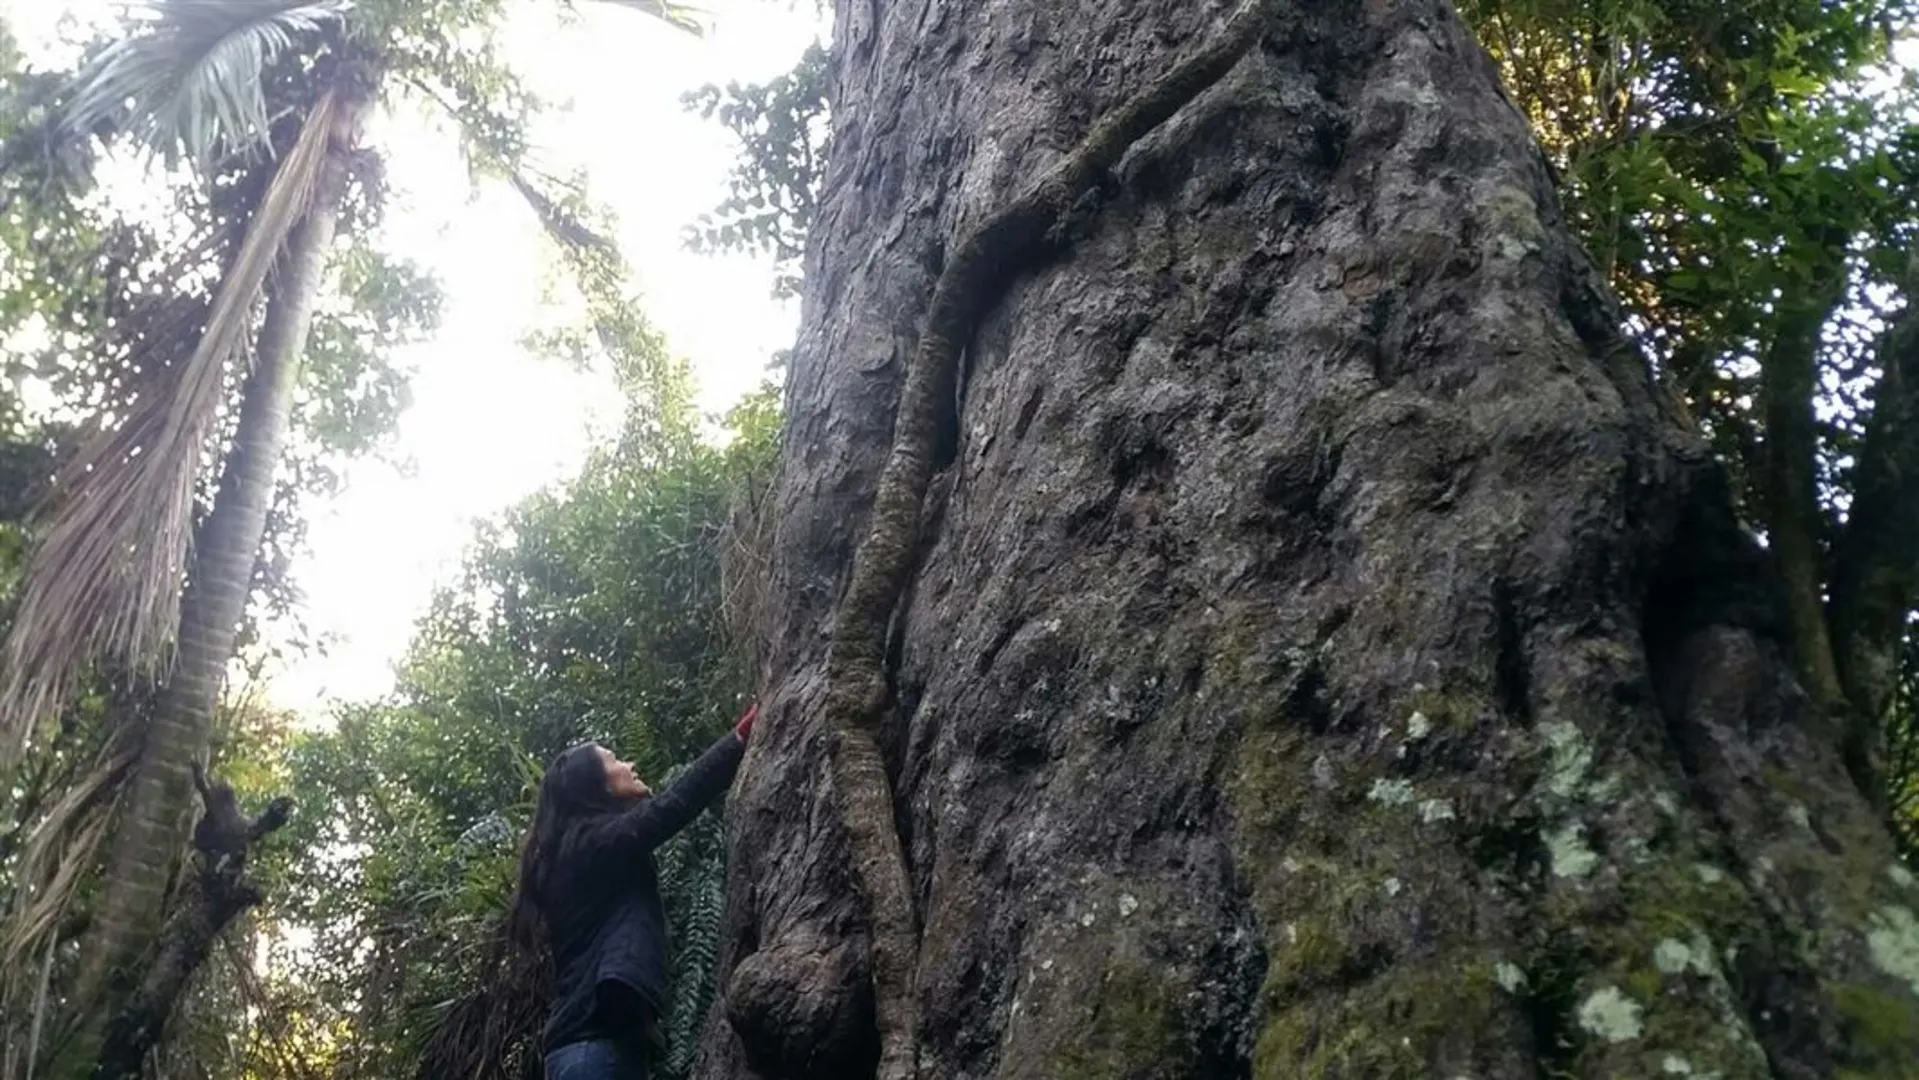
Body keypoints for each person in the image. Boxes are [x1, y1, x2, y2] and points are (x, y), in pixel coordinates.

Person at [509, 702, 758, 1079]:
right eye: (615, 760)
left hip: (591, 1049)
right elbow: (669, 810)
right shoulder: (590, 845)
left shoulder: (578, 849)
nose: (629, 765)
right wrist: (738, 739)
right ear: (596, 783)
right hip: (592, 1050)